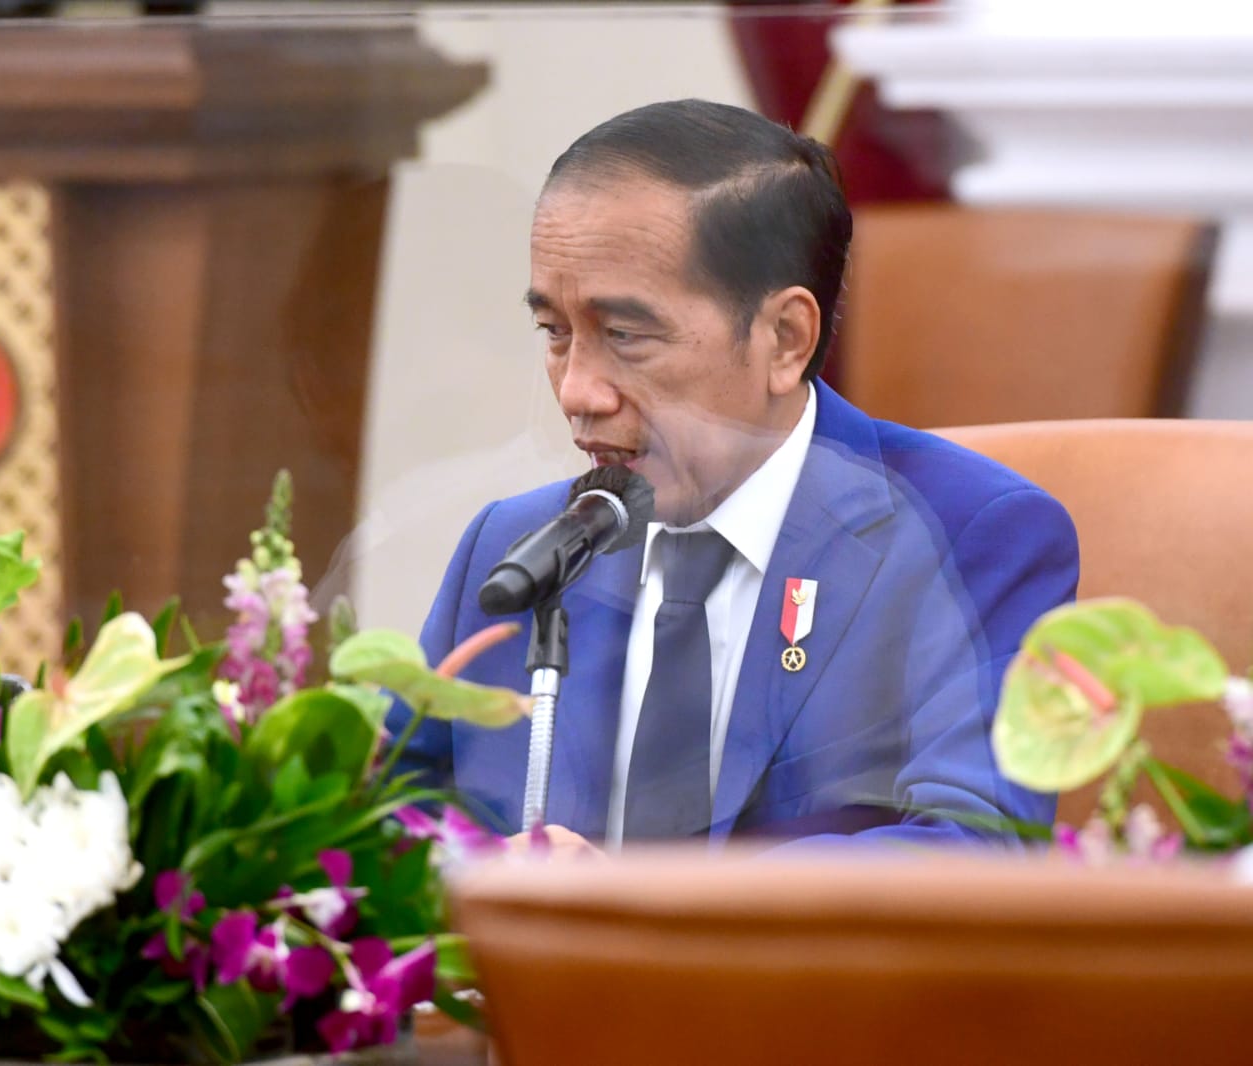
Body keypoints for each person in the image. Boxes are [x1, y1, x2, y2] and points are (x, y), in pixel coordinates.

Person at [385, 99, 1079, 851]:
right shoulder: (516, 550)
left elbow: (974, 848)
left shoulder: (969, 537)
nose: (578, 391)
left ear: (785, 339)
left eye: (625, 334)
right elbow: (377, 828)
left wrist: (629, 906)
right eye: (555, 332)